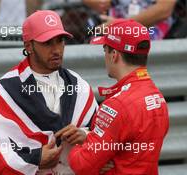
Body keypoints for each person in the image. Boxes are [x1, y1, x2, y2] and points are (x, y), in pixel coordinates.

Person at [0, 10, 98, 175]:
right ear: (29, 46)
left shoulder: (78, 84)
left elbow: (101, 134)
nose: (56, 49)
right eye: (47, 43)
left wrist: (85, 135)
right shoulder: (4, 91)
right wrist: (35, 158)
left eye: (60, 41)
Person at [67, 19, 169, 174]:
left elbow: (82, 164)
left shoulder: (116, 106)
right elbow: (128, 146)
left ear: (114, 55)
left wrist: (75, 147)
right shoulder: (157, 98)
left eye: (104, 49)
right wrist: (90, 139)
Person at [83, 0, 176, 40]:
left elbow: (164, 10)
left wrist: (120, 25)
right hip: (113, 31)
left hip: (153, 36)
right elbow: (99, 3)